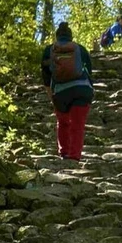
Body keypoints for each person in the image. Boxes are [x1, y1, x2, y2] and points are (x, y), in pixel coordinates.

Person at [41, 22, 93, 161]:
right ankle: (74, 156)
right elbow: (89, 72)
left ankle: (64, 153)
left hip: (60, 91)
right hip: (82, 89)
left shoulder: (49, 50)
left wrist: (51, 95)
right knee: (78, 124)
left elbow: (46, 77)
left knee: (63, 122)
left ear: (57, 36)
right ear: (71, 36)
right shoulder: (80, 49)